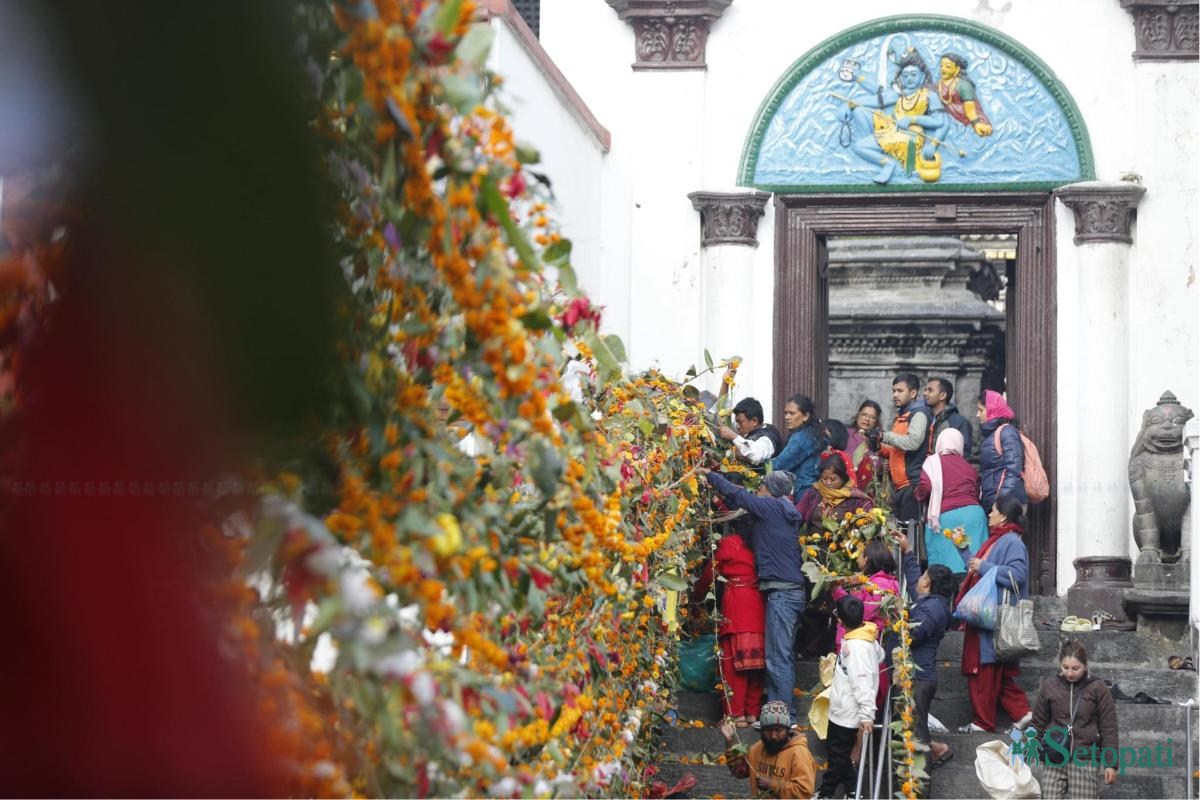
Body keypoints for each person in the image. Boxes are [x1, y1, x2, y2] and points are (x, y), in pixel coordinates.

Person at [701, 468, 806, 726]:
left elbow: (738, 496)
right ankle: (781, 715)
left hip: (782, 594)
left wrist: (710, 475)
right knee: (780, 656)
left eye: (761, 488)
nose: (758, 491)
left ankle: (782, 719)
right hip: (790, 591)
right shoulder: (784, 511)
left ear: (770, 491)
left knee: (776, 658)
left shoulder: (770, 507)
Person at [956, 494, 1033, 734]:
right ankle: (1021, 713)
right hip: (986, 614)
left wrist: (984, 566)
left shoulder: (1012, 542)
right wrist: (964, 549)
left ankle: (983, 722)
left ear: (1004, 516)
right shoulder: (998, 541)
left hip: (994, 617)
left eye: (993, 510)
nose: (989, 514)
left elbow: (1016, 576)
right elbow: (977, 569)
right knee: (995, 673)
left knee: (984, 671)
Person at [1031, 640, 1119, 797]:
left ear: (1085, 665)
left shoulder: (1098, 688)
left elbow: (1109, 727)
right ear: (1060, 664)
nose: (1070, 673)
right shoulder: (1050, 686)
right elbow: (1038, 723)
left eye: (1075, 668)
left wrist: (1111, 763)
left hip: (1085, 758)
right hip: (1054, 756)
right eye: (1065, 667)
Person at [845, 50, 949, 184]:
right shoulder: (899, 94)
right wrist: (851, 101)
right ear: (901, 78)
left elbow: (940, 122)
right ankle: (887, 163)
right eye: (905, 76)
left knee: (861, 145)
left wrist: (931, 141)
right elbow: (877, 97)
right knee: (858, 145)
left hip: (911, 136)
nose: (909, 79)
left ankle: (890, 165)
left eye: (913, 75)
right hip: (891, 131)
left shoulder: (929, 95)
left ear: (922, 77)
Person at [898, 533, 956, 773]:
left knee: (917, 737)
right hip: (919, 676)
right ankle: (939, 749)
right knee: (912, 729)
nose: (919, 579)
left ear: (929, 584)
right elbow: (913, 585)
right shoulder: (932, 602)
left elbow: (914, 635)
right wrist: (907, 552)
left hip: (920, 679)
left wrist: (895, 620)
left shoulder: (932, 609)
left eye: (924, 576)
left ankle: (921, 786)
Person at [817, 595, 883, 800]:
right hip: (842, 708)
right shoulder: (865, 637)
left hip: (848, 712)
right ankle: (853, 791)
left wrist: (866, 714)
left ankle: (825, 794)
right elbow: (880, 656)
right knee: (840, 754)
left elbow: (862, 682)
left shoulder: (856, 646)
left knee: (836, 757)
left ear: (840, 621)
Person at [914, 428, 987, 586]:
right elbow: (977, 490)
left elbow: (925, 486)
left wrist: (918, 494)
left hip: (947, 517)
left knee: (943, 573)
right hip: (975, 517)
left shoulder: (933, 462)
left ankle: (946, 602)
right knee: (973, 568)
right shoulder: (968, 466)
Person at [714, 526, 766, 727]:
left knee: (734, 665)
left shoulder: (730, 543)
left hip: (737, 607)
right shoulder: (762, 540)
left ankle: (736, 715)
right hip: (758, 605)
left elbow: (712, 572)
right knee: (756, 664)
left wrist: (696, 597)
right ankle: (752, 712)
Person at [720, 701, 816, 799]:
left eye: (779, 730)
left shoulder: (799, 753)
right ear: (761, 731)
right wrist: (730, 741)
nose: (773, 736)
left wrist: (772, 784)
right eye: (768, 730)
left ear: (788, 729)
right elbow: (739, 771)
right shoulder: (757, 749)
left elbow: (805, 792)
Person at [880, 374, 933, 523]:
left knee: (910, 537)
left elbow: (913, 442)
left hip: (912, 484)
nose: (895, 395)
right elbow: (896, 450)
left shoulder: (919, 414)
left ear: (913, 393)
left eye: (900, 391)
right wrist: (879, 447)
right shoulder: (902, 416)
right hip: (900, 486)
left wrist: (885, 435)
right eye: (893, 391)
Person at [978, 390, 1028, 512]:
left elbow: (1014, 469)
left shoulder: (1007, 432)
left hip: (1007, 506)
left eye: (981, 410)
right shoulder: (992, 435)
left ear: (992, 409)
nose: (977, 415)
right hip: (996, 504)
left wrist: (1000, 503)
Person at [795, 458, 874, 533]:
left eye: (833, 479)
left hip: (841, 546)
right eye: (824, 478)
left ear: (842, 478)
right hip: (810, 543)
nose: (828, 483)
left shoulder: (855, 499)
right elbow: (797, 517)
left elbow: (869, 520)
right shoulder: (813, 493)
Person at [773, 393, 826, 488]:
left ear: (806, 416)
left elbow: (778, 466)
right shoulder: (815, 433)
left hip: (802, 491)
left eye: (792, 413)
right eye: (786, 413)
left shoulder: (801, 438)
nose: (787, 417)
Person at [718, 396, 784, 469]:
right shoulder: (750, 431)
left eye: (741, 422)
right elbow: (722, 407)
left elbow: (756, 456)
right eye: (737, 422)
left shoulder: (766, 439)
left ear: (754, 421)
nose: (738, 426)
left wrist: (733, 436)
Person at [936, 52, 992, 137]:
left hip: (972, 121)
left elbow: (970, 110)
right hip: (952, 122)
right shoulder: (938, 85)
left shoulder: (964, 85)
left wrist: (976, 123)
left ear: (957, 69)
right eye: (941, 66)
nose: (943, 69)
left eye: (947, 66)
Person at [923, 378, 973, 456]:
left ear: (942, 395)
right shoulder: (925, 418)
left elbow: (965, 454)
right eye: (925, 390)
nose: (925, 393)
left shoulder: (960, 422)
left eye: (930, 390)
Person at [846, 400, 884, 492]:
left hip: (869, 489)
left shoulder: (880, 438)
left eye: (872, 417)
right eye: (864, 415)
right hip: (845, 485)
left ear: (876, 421)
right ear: (858, 415)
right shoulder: (845, 433)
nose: (867, 419)